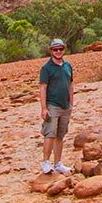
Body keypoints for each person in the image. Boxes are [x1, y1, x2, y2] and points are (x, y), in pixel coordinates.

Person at [37, 38, 74, 174]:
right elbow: (43, 88)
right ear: (51, 51)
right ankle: (46, 162)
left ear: (64, 49)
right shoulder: (46, 68)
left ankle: (58, 163)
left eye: (60, 49)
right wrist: (44, 108)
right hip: (52, 105)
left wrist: (71, 103)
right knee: (50, 134)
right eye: (55, 49)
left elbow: (71, 85)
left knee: (60, 135)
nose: (58, 51)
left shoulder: (67, 65)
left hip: (65, 106)